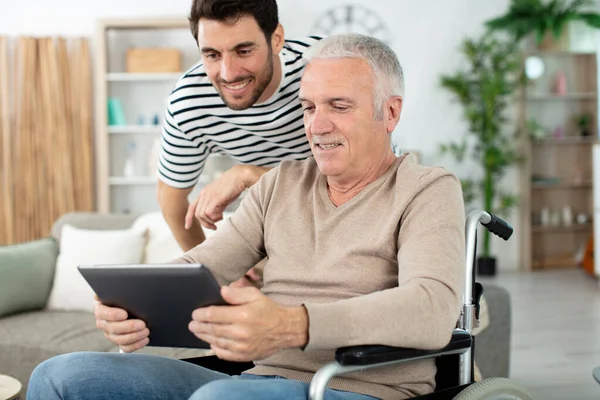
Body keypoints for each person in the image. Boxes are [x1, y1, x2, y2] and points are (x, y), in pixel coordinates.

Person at [27, 34, 466, 400]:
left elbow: (432, 309)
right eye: (309, 107)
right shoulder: (281, 183)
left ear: (389, 112)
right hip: (256, 382)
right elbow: (205, 265)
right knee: (59, 376)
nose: (317, 125)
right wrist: (131, 304)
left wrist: (293, 325)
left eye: (338, 105)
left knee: (218, 399)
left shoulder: (427, 188)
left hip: (360, 388)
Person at [157, 0, 321, 253]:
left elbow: (367, 178)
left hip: (364, 214)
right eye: (212, 55)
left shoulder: (325, 66)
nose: (228, 73)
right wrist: (217, 272)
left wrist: (249, 175)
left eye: (243, 51)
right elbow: (172, 203)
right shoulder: (189, 102)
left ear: (276, 39)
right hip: (281, 231)